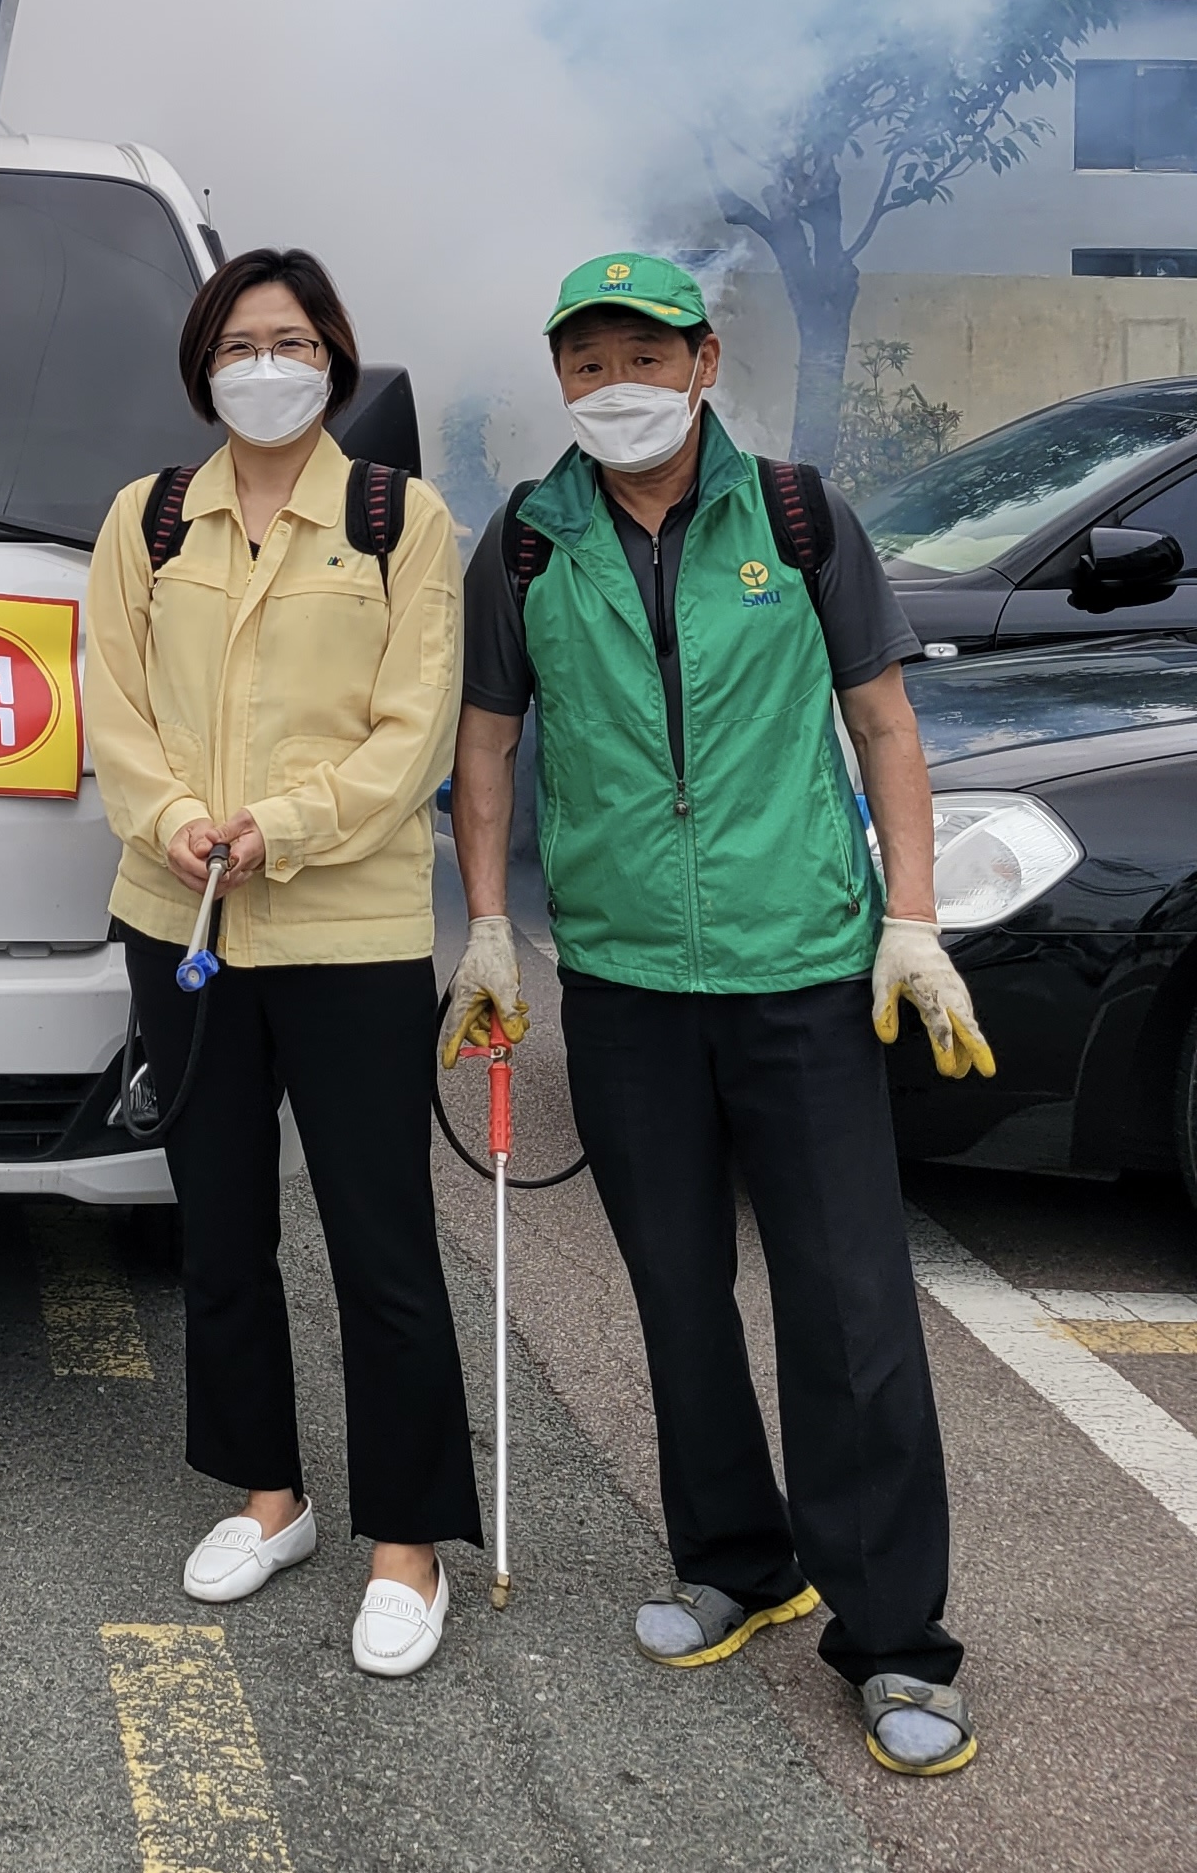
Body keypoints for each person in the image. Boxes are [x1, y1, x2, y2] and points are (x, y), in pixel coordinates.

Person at [444, 252, 992, 1777]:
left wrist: (910, 917)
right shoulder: (530, 543)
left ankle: (895, 1641)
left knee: (850, 1308)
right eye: (586, 360)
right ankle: (742, 1561)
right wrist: (490, 925)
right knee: (678, 1295)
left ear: (703, 359)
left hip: (798, 969)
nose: (613, 383)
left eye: (642, 352)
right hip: (621, 981)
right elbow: (487, 749)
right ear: (560, 378)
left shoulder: (801, 516)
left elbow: (882, 721)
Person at [87, 246, 477, 1681]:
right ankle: (271, 1498)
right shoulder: (151, 515)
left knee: (382, 1243)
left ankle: (407, 1542)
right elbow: (113, 703)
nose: (268, 362)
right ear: (204, 361)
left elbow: (412, 727)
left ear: (335, 360)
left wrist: (284, 827)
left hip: (345, 925)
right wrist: (183, 821)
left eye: (296, 341)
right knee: (224, 1232)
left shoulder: (398, 517)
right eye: (243, 340)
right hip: (180, 916)